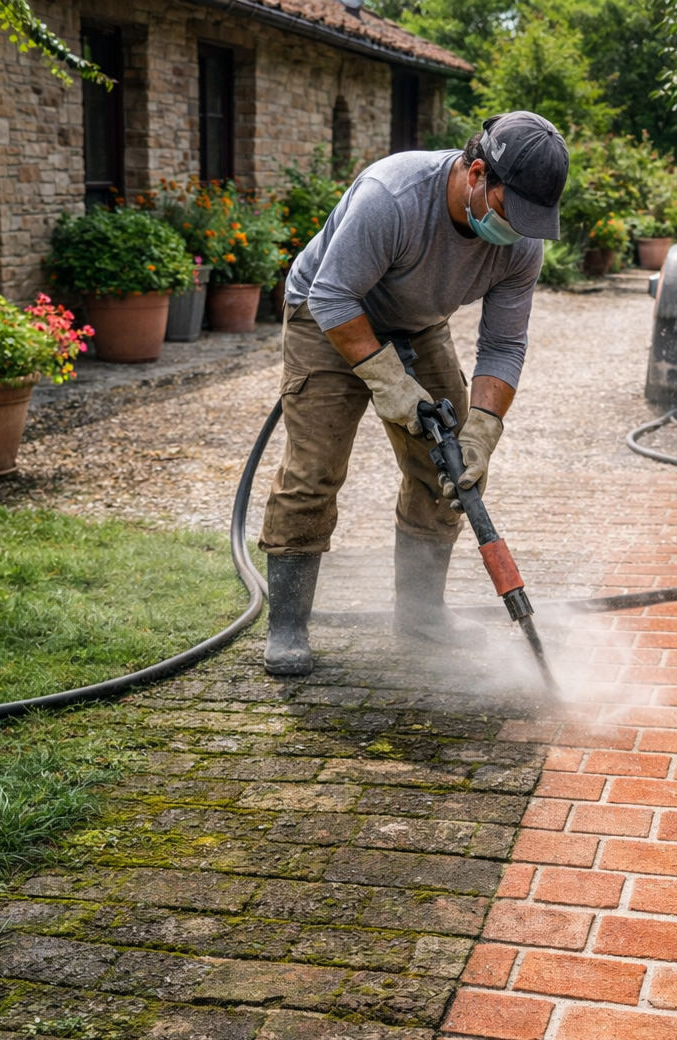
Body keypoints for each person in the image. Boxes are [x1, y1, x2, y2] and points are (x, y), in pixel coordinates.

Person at [258, 110, 569, 675]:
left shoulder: (520, 243)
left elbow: (502, 345)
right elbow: (332, 297)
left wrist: (483, 429)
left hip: (419, 325)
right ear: (477, 173)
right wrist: (388, 383)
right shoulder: (394, 195)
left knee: (449, 467)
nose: (517, 229)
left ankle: (421, 612)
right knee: (315, 468)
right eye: (509, 211)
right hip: (328, 316)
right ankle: (286, 626)